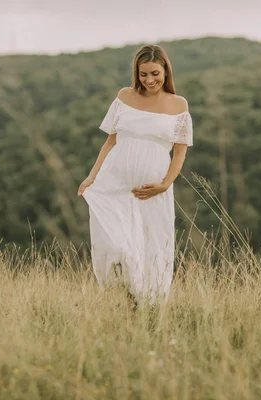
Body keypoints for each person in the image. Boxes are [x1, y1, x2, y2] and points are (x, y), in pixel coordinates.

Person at [77, 44, 193, 306]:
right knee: (117, 246)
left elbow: (180, 153)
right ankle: (126, 297)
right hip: (115, 182)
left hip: (151, 191)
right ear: (136, 73)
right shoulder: (124, 97)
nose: (149, 80)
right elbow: (110, 142)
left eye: (154, 73)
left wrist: (165, 184)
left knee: (150, 246)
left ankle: (143, 307)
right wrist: (91, 176)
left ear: (165, 71)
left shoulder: (179, 105)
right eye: (143, 74)